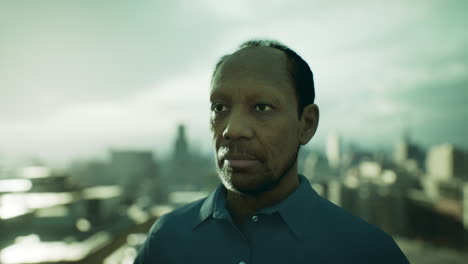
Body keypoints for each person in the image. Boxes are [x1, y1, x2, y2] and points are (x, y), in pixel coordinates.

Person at [134, 40, 409, 264]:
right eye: (219, 108)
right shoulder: (166, 239)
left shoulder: (368, 253)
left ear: (307, 124)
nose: (233, 129)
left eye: (261, 107)